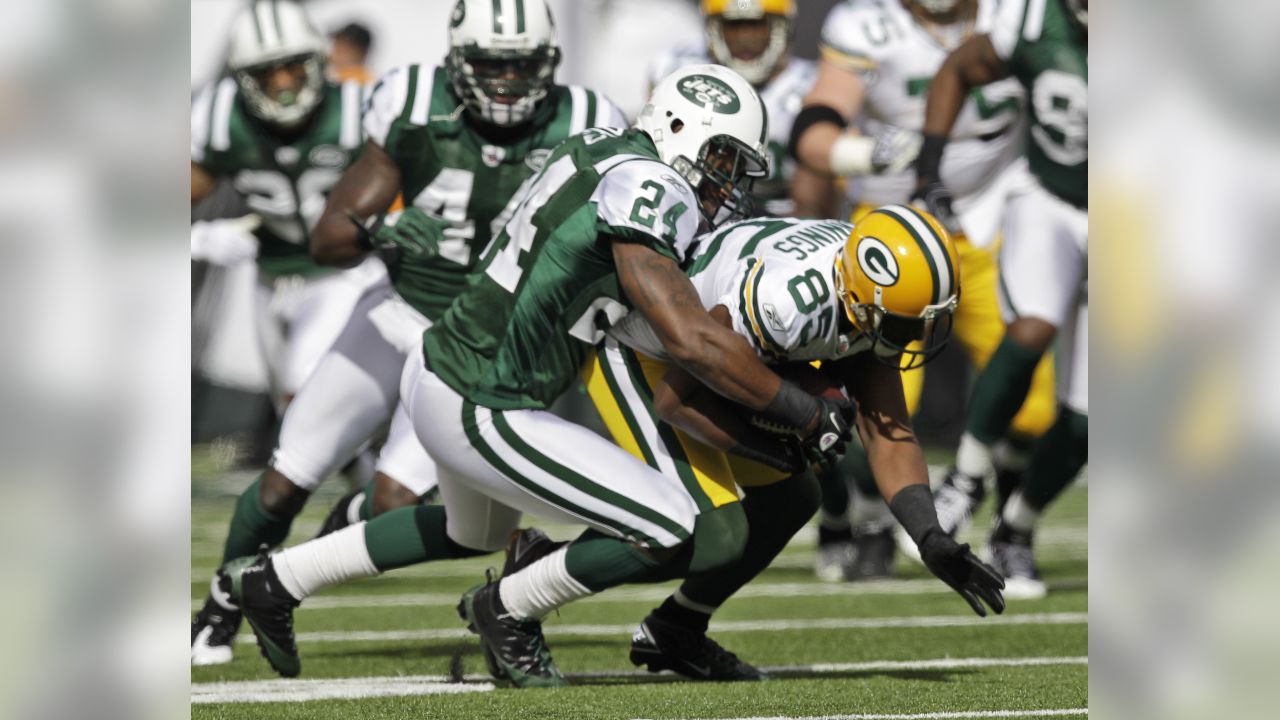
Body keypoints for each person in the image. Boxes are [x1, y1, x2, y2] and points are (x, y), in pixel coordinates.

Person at [191, 0, 626, 666]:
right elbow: (329, 236)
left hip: (485, 350)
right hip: (400, 312)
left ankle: (295, 568)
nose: (506, 83)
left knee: (399, 502)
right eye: (489, 65)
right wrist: (378, 232)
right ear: (458, 62)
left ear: (550, 64)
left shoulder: (589, 121)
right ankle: (219, 609)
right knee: (288, 475)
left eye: (522, 66)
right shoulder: (414, 104)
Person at [578, 208, 1005, 680]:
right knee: (715, 534)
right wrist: (783, 439)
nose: (917, 335)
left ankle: (676, 627)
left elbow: (887, 432)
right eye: (906, 322)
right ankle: (536, 574)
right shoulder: (786, 304)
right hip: (645, 347)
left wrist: (930, 535)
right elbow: (678, 397)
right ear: (862, 297)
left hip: (718, 351)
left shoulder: (863, 288)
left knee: (790, 500)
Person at [788, 0, 1057, 580]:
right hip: (892, 237)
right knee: (873, 408)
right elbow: (811, 134)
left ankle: (1009, 531)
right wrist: (871, 152)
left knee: (1036, 410)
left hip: (994, 221)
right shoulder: (867, 25)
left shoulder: (1019, 15)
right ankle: (876, 518)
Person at [914, 0, 1087, 597]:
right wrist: (928, 168)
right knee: (1033, 327)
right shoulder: (1034, 20)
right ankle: (965, 476)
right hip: (1050, 201)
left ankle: (1015, 530)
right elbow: (959, 67)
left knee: (1091, 416)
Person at [648, 0, 834, 217]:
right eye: (734, 25)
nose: (745, 37)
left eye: (757, 25)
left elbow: (813, 202)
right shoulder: (678, 69)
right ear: (713, 28)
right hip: (692, 209)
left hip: (781, 217)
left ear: (782, 27)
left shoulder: (812, 85)